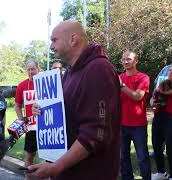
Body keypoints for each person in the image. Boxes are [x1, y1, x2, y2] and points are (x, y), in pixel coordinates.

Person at [28, 20, 121, 180]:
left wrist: (56, 167)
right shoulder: (70, 73)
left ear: (73, 39)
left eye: (54, 40)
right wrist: (44, 109)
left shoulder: (98, 69)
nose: (51, 46)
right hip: (69, 172)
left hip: (91, 173)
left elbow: (96, 133)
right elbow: (67, 113)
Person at [119, 50, 151, 180]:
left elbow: (137, 96)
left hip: (138, 125)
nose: (126, 61)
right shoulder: (120, 77)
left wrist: (121, 86)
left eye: (129, 59)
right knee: (123, 157)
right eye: (124, 59)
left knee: (142, 157)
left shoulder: (143, 77)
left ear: (136, 61)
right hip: (121, 124)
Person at [150, 64, 172, 180]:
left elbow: (170, 92)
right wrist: (152, 103)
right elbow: (153, 97)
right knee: (156, 145)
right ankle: (161, 172)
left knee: (170, 147)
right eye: (170, 70)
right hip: (159, 116)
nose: (170, 72)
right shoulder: (163, 82)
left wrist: (158, 89)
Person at [14, 59, 40, 177]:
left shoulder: (45, 81)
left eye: (32, 69)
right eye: (28, 70)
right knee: (29, 156)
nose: (30, 72)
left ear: (38, 69)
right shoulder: (22, 85)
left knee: (49, 158)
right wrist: (22, 121)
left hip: (47, 125)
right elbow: (17, 106)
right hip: (31, 127)